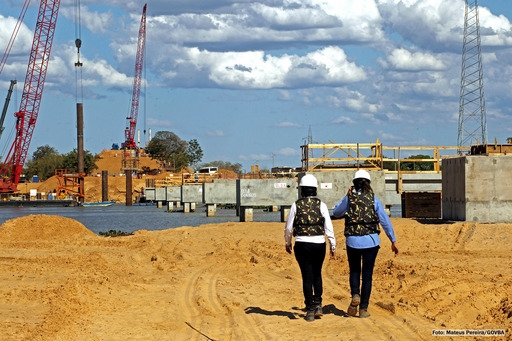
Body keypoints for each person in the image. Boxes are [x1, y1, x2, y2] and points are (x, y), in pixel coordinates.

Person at [332, 169, 398, 318]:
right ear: (368, 183)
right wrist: (392, 240)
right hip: (371, 241)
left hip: (353, 241)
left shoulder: (350, 199)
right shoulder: (374, 199)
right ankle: (363, 309)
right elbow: (384, 220)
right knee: (367, 275)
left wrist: (347, 196)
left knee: (354, 271)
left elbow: (336, 213)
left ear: (354, 183)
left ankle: (355, 294)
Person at [284, 174, 336, 322]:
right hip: (319, 244)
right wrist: (333, 245)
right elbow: (329, 228)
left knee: (307, 276)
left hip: (301, 244)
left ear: (301, 190)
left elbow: (288, 228)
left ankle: (310, 310)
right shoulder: (322, 205)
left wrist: (288, 243)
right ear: (315, 190)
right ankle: (318, 304)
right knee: (317, 274)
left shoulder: (296, 205)